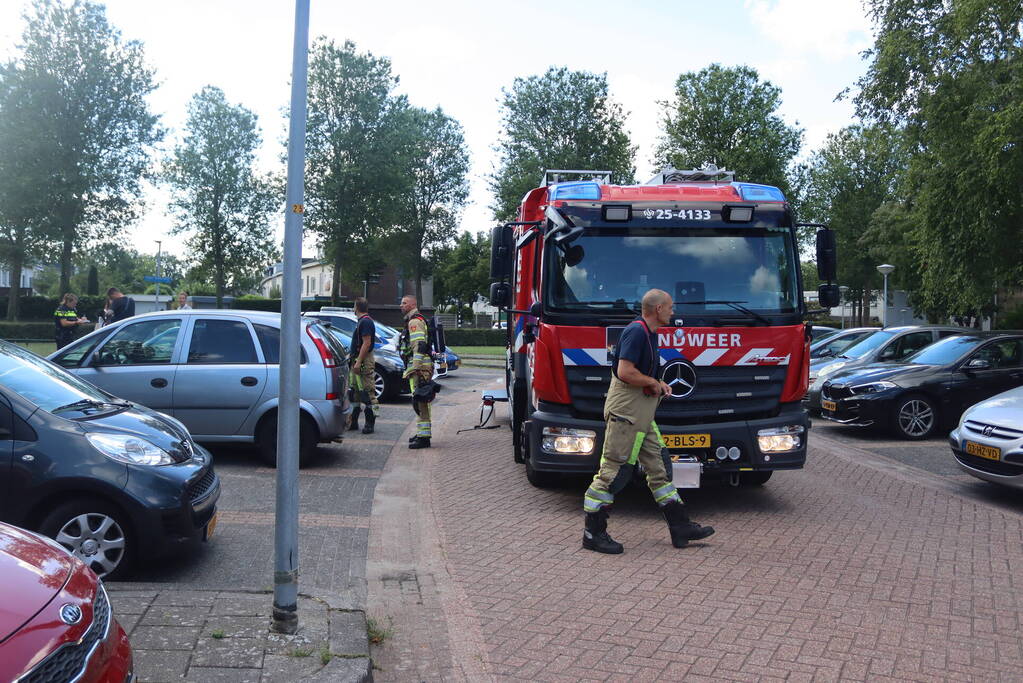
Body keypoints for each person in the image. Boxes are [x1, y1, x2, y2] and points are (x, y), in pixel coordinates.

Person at [582, 288, 715, 554]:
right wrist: (653, 382)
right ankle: (593, 533)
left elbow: (638, 372)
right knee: (613, 473)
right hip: (627, 414)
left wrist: (658, 383)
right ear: (657, 310)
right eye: (670, 307)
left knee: (660, 469)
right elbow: (625, 371)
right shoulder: (637, 332)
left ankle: (681, 528)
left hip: (641, 414)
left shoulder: (649, 333)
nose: (673, 311)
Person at [399, 295, 433, 449]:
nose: (401, 305)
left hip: (420, 368)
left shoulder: (414, 322)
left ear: (413, 304)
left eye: (404, 303)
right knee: (419, 402)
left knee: (421, 402)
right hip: (419, 366)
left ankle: (424, 438)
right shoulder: (414, 320)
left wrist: (416, 366)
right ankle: (421, 434)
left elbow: (419, 345)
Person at [348, 297, 379, 434]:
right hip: (358, 359)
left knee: (368, 392)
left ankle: (370, 424)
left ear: (356, 307)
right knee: (355, 393)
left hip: (364, 361)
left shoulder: (365, 322)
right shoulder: (362, 321)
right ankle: (353, 422)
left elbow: (366, 343)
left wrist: (359, 361)